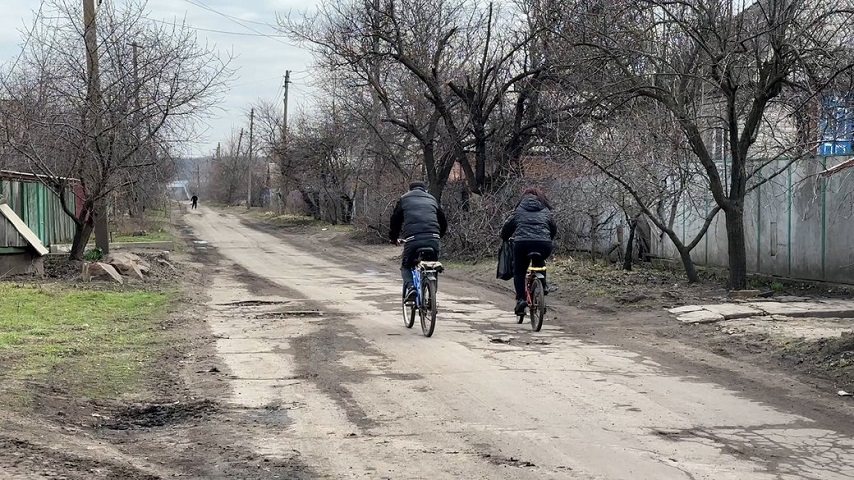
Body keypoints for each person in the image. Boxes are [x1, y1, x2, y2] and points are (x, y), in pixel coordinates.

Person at [500, 187, 557, 315]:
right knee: (540, 262)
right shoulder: (546, 211)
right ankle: (543, 285)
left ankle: (521, 300)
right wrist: (548, 239)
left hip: (522, 244)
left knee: (519, 271)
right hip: (544, 244)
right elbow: (553, 229)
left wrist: (505, 237)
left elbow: (507, 229)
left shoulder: (519, 211)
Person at [389, 181, 447, 302]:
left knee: (406, 266)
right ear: (424, 189)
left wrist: (393, 238)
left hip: (413, 239)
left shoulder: (404, 199)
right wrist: (438, 236)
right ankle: (432, 296)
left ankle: (411, 288)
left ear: (410, 190)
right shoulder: (432, 199)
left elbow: (395, 220)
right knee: (432, 265)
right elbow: (443, 221)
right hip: (433, 238)